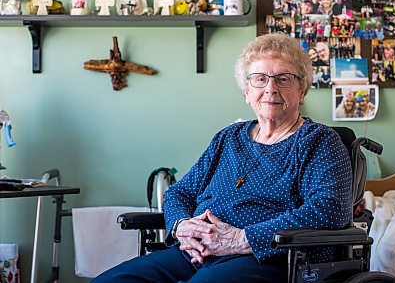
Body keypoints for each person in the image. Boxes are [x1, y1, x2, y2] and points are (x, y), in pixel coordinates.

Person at [92, 33, 353, 283]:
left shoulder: (319, 141)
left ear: (302, 90)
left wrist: (243, 238)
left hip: (268, 258)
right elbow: (179, 193)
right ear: (246, 91)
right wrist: (182, 227)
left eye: (284, 79)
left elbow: (330, 209)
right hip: (196, 253)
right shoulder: (229, 138)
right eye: (260, 79)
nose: (271, 88)